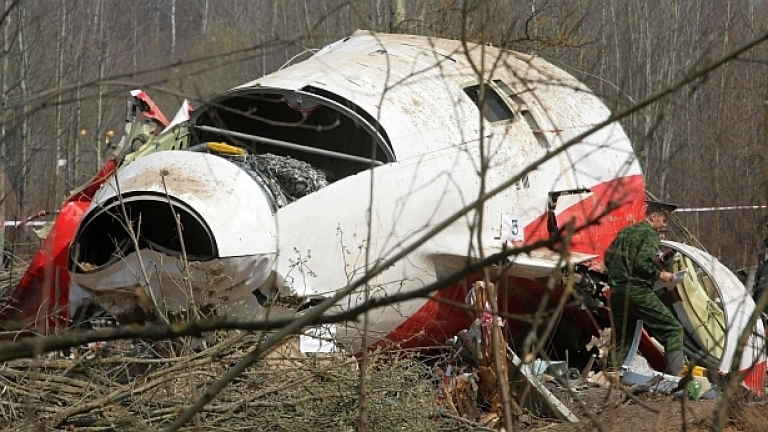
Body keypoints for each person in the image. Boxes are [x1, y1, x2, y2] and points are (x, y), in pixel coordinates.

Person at [604, 200, 685, 375]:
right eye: (664, 220)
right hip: (637, 291)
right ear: (653, 216)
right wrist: (661, 275)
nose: (665, 224)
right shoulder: (650, 234)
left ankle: (612, 377)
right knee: (673, 329)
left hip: (617, 292)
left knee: (621, 338)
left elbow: (608, 259)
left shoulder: (624, 232)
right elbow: (642, 263)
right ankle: (676, 379)